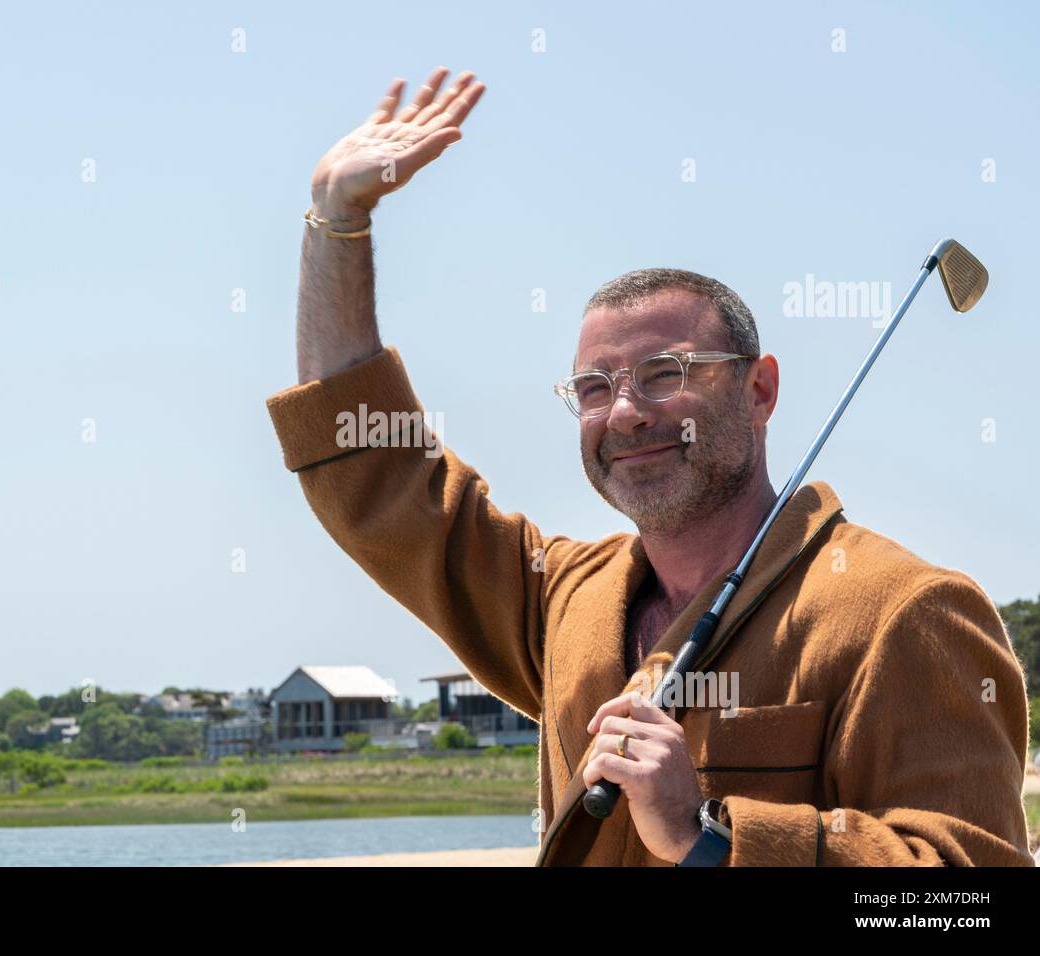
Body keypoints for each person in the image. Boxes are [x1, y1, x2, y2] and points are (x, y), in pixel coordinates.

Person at [264, 67, 1034, 866]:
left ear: (759, 388)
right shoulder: (562, 597)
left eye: (667, 374)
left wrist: (709, 836)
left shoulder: (905, 611)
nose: (626, 412)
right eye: (595, 387)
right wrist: (335, 222)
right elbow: (376, 478)